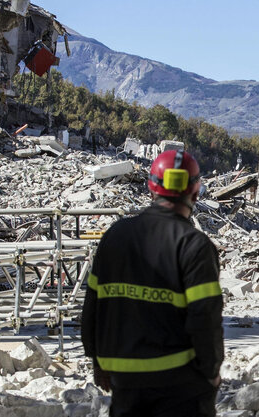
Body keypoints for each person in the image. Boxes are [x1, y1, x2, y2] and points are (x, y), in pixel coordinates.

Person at [81, 149, 224, 417]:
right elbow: (205, 319)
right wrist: (212, 371)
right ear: (195, 192)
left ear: (151, 188)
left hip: (124, 382)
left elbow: (93, 304)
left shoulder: (115, 235)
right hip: (181, 386)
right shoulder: (194, 246)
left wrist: (97, 361)